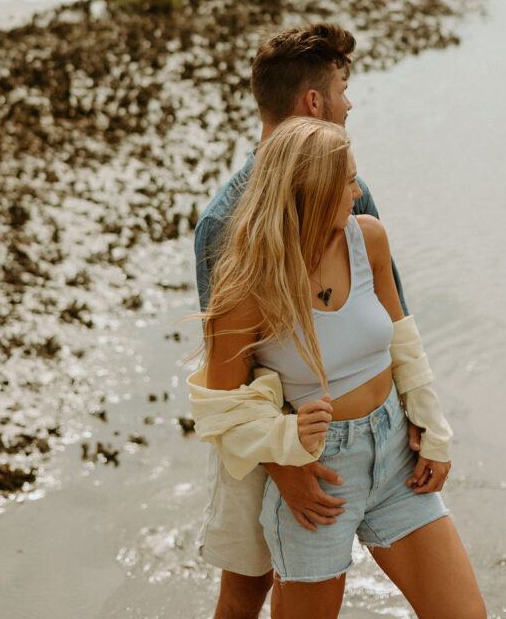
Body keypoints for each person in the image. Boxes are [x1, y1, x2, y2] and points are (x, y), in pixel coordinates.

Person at [189, 118, 485, 618]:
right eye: (347, 181)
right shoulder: (247, 286)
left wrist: (433, 427)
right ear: (312, 192)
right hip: (320, 478)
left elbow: (404, 343)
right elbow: (218, 413)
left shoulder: (367, 239)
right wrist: (286, 441)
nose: (357, 192)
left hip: (396, 461)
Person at [193, 23, 414, 619]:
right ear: (313, 101)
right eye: (343, 87)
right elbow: (227, 366)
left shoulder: (352, 188)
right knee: (246, 587)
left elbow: (388, 313)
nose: (349, 101)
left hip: (355, 435)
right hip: (262, 433)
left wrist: (415, 413)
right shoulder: (224, 220)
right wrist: (280, 464)